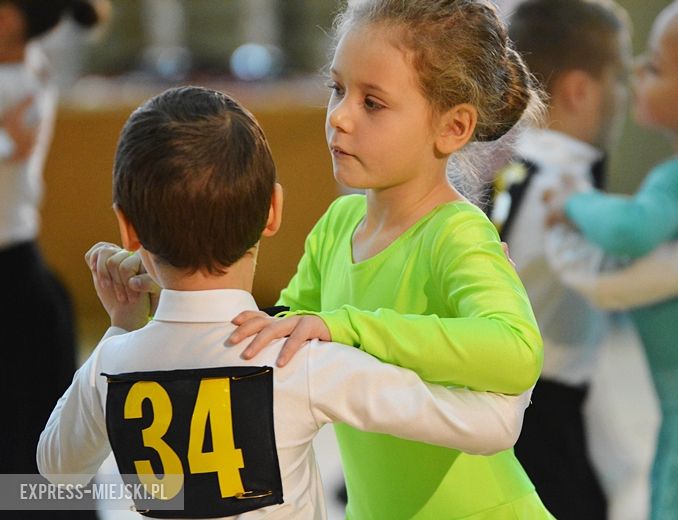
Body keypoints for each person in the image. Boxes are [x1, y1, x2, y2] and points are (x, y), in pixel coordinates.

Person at [37, 86, 534, 519]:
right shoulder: (301, 362)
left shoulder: (111, 365)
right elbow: (493, 426)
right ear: (273, 211)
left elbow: (55, 472)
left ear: (127, 228)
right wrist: (509, 295)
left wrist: (123, 327)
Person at [225, 1, 552, 518]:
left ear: (452, 127)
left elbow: (516, 351)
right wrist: (163, 294)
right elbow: (274, 345)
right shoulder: (337, 225)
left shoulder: (457, 233)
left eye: (372, 103)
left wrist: (348, 327)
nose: (340, 116)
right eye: (338, 89)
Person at [490, 1, 678, 518]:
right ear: (580, 91)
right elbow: (613, 273)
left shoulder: (535, 170)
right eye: (626, 75)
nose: (636, 81)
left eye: (653, 69)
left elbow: (624, 245)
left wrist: (578, 207)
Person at [0, 3, 105, 519]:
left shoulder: (19, 80)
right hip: (20, 275)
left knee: (31, 445)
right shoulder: (33, 66)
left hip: (13, 279)